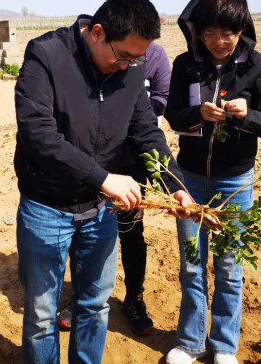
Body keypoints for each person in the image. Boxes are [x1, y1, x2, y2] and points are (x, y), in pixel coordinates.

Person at [14, 0, 192, 363]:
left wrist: (174, 184)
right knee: (42, 315)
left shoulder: (130, 70)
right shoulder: (46, 56)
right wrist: (103, 178)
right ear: (96, 33)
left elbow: (145, 131)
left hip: (99, 211)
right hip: (48, 206)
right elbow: (39, 135)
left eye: (138, 58)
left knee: (94, 306)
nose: (128, 66)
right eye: (123, 55)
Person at [163, 0, 261, 364]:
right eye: (210, 33)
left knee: (230, 266)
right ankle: (190, 342)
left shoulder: (257, 66)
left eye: (227, 34)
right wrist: (197, 113)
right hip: (191, 178)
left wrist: (247, 116)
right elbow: (171, 114)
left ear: (241, 29)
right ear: (196, 30)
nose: (218, 41)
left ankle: (224, 346)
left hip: (235, 182)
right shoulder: (185, 64)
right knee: (192, 263)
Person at [57, 41, 172, 336]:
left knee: (132, 232)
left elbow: (163, 96)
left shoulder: (157, 56)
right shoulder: (98, 55)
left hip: (133, 162)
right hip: (96, 163)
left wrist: (136, 106)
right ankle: (83, 296)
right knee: (85, 230)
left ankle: (134, 297)